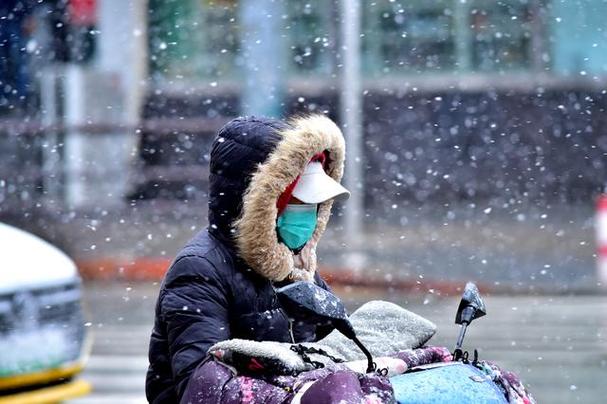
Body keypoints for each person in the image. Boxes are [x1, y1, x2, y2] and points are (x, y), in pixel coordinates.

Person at [145, 114, 350, 403]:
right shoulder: (199, 270)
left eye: (315, 204)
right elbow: (203, 388)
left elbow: (338, 345)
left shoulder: (295, 265)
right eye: (298, 202)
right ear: (263, 203)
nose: (309, 213)